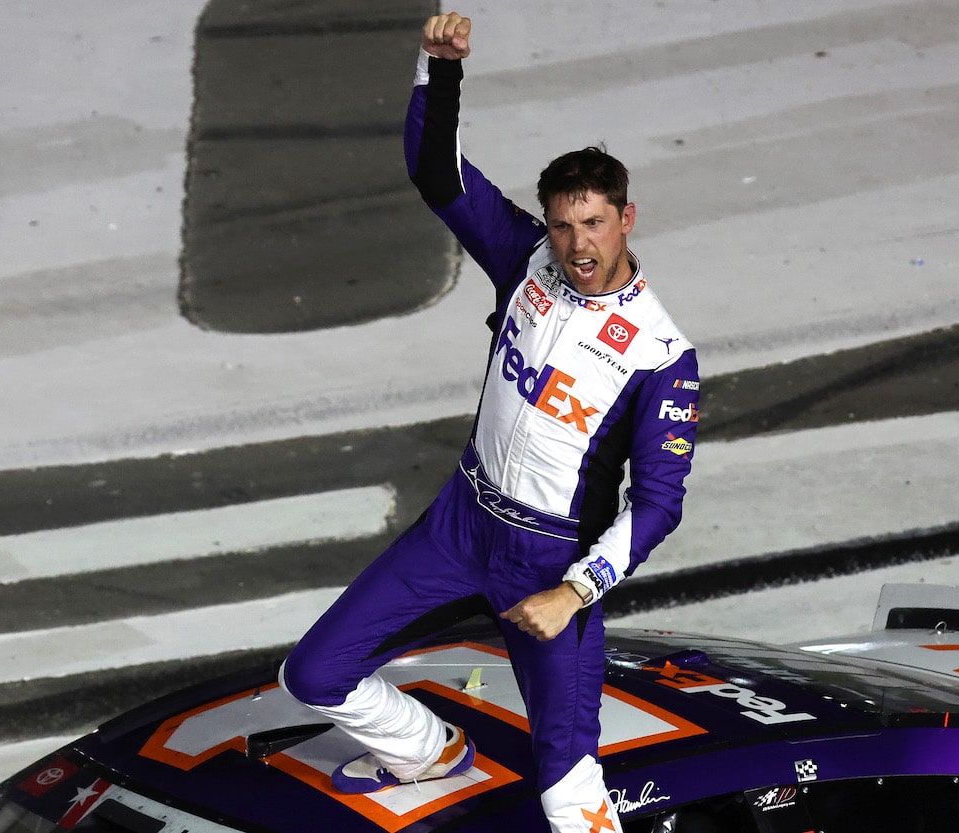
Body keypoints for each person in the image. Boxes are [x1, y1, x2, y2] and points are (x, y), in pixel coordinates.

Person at [279, 12, 700, 833]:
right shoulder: (527, 261)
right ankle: (429, 749)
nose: (577, 245)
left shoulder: (661, 354)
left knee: (568, 792)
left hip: (551, 563)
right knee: (313, 672)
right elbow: (435, 174)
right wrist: (441, 71)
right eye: (563, 223)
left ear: (627, 218)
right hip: (460, 522)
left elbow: (658, 504)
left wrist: (575, 590)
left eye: (594, 223)